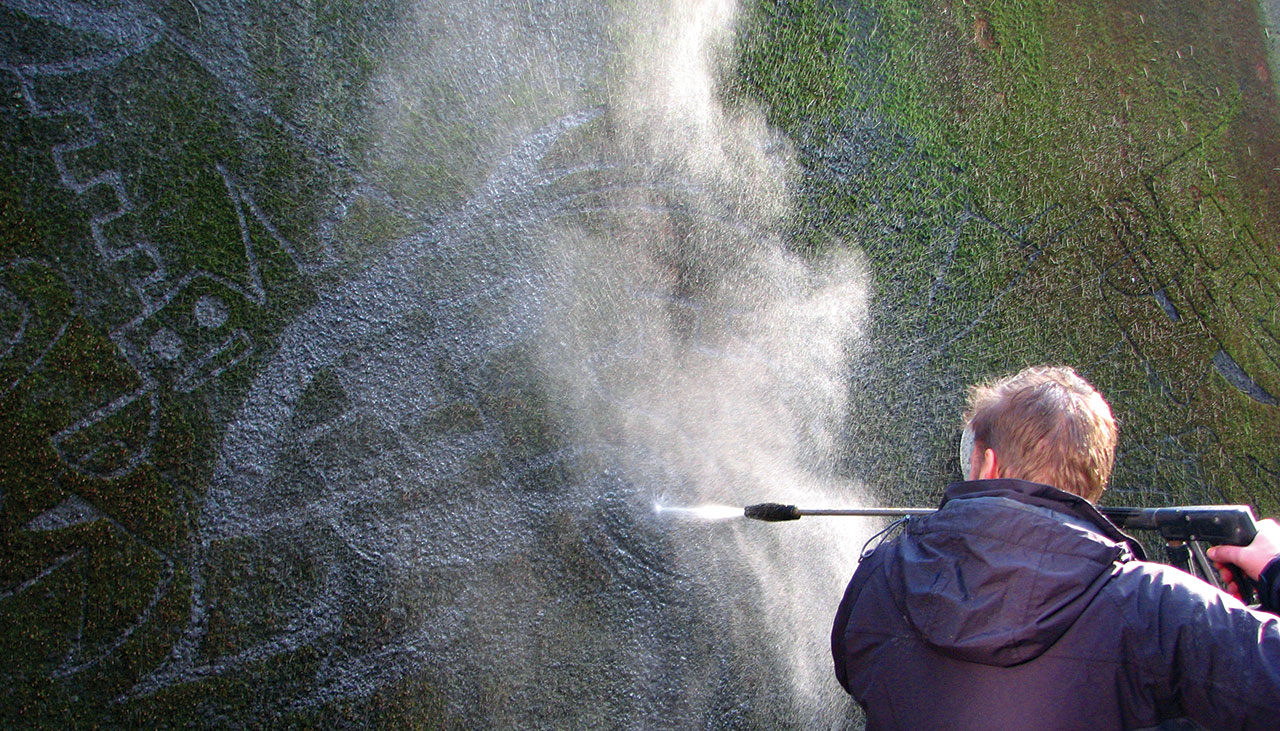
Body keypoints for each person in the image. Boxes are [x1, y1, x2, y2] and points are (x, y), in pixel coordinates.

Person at [831, 365, 1280, 729]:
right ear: (1095, 480)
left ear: (985, 463)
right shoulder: (1154, 606)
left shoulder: (882, 574)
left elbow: (858, 672)